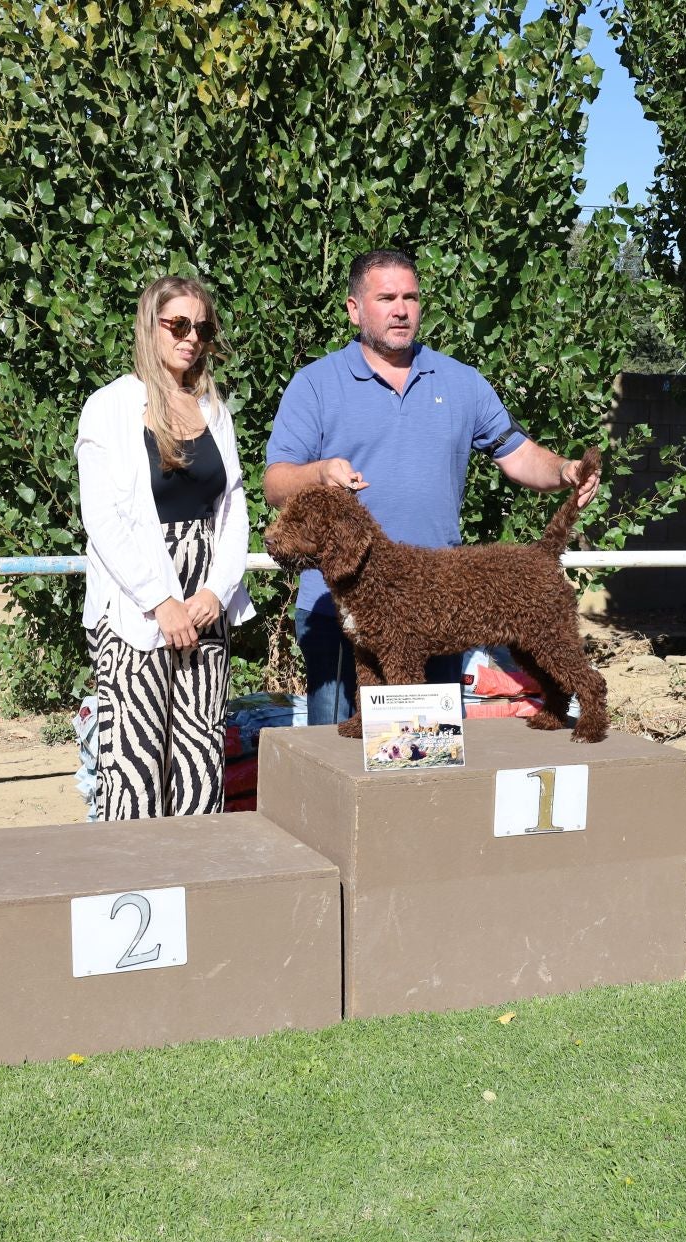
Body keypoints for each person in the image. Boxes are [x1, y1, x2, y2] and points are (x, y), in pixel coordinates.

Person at [263, 249, 601, 725]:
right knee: (339, 751)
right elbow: (275, 482)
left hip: (443, 600)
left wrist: (564, 469)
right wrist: (319, 473)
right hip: (336, 605)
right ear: (354, 308)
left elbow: (520, 454)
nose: (401, 309)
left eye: (410, 297)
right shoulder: (315, 384)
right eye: (386, 298)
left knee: (427, 751)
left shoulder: (462, 382)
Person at [77, 276, 254, 818]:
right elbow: (103, 519)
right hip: (137, 602)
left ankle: (197, 879)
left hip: (205, 601)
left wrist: (215, 593)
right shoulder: (110, 406)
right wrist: (161, 600)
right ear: (150, 325)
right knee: (135, 755)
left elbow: (233, 507)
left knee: (201, 749)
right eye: (178, 325)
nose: (190, 338)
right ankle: (134, 887)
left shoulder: (213, 410)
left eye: (202, 327)